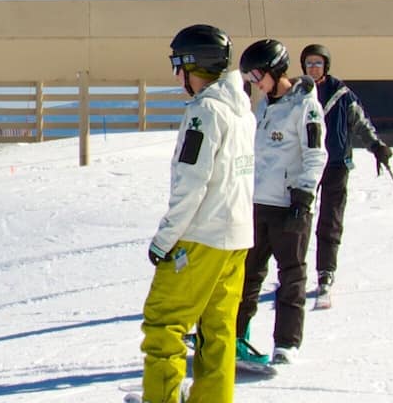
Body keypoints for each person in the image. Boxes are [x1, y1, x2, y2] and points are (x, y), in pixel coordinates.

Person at [139, 24, 255, 403]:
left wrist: (165, 239)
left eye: (178, 64)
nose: (175, 75)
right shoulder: (242, 111)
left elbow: (192, 180)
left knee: (164, 326)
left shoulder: (204, 112)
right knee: (218, 331)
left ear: (194, 64)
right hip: (235, 238)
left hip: (199, 237)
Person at [233, 40, 325, 367]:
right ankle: (234, 337)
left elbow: (316, 154)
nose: (255, 81)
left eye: (257, 74)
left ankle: (286, 344)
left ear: (275, 69)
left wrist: (303, 194)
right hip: (258, 203)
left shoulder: (306, 107)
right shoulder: (263, 106)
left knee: (291, 276)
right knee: (246, 274)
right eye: (249, 76)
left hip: (290, 206)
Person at [299, 45, 392, 303]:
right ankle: (294, 273)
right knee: (298, 220)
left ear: (326, 66)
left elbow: (360, 123)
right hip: (305, 165)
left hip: (337, 164)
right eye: (309, 64)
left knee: (330, 220)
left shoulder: (342, 94)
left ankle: (325, 272)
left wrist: (376, 146)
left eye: (317, 63)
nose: (313, 68)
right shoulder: (299, 94)